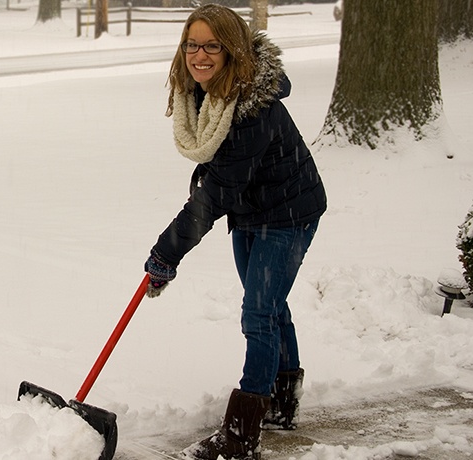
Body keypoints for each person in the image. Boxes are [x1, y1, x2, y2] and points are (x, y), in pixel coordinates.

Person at [143, 4, 327, 460]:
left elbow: (217, 192)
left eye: (212, 45)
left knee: (258, 313)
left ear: (233, 50)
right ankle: (281, 401)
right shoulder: (206, 94)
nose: (200, 55)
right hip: (251, 209)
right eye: (192, 44)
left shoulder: (250, 109)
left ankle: (242, 436)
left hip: (289, 212)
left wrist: (168, 252)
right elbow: (222, 182)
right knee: (270, 306)